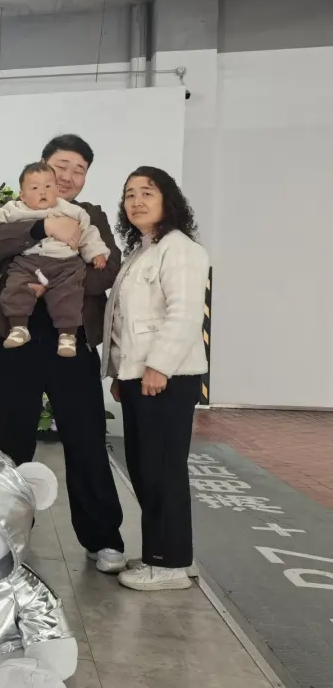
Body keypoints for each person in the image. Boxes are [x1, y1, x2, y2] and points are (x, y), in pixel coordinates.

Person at [0, 135, 127, 574]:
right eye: (62, 165)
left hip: (71, 339)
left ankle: (104, 539)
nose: (69, 176)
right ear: (42, 166)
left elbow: (107, 272)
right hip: (15, 340)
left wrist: (52, 283)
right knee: (10, 440)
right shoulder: (14, 209)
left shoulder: (89, 214)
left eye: (80, 169)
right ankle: (3, 535)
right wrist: (42, 230)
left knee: (85, 438)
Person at [105, 167, 209, 592]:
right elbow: (125, 321)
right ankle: (169, 553)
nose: (137, 201)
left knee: (162, 470)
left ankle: (168, 564)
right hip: (142, 376)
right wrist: (120, 372)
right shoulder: (143, 251)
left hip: (167, 377)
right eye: (130, 194)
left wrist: (158, 366)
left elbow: (183, 315)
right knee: (147, 468)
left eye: (147, 192)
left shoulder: (180, 249)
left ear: (169, 200)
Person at [0, 161, 111, 357]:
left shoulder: (73, 211)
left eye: (48, 186)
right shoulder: (15, 209)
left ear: (56, 189)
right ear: (22, 195)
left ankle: (67, 335)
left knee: (68, 293)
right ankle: (18, 327)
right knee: (16, 285)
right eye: (35, 188)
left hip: (66, 262)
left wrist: (96, 253)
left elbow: (88, 232)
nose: (43, 192)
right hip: (29, 262)